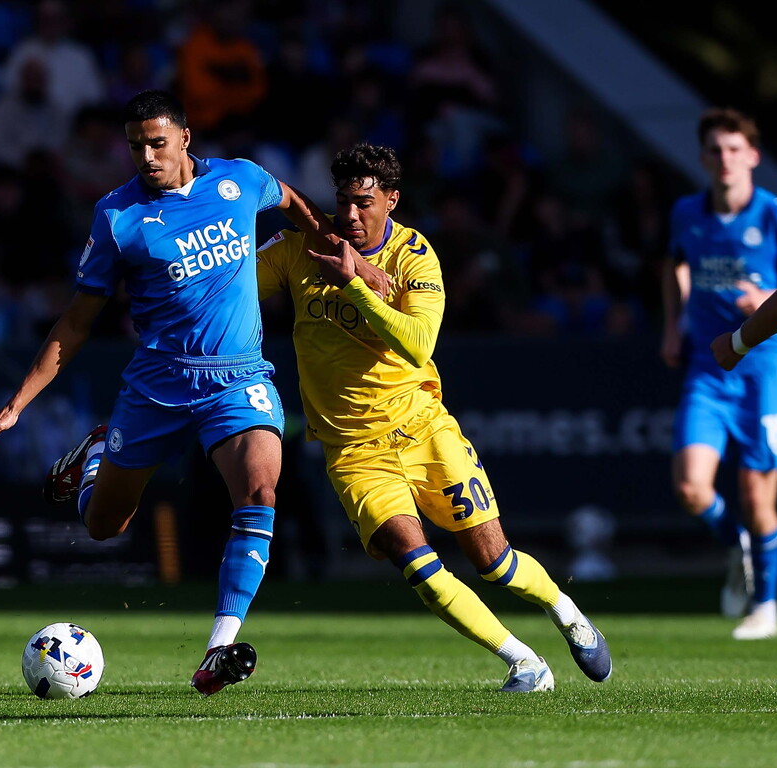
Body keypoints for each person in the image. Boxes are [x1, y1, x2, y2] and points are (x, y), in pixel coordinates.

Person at [0, 90, 390, 697]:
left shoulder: (241, 180)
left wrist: (341, 252)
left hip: (238, 376)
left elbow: (293, 202)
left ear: (185, 139)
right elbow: (77, 323)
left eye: (157, 143)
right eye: (136, 145)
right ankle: (93, 460)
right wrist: (13, 409)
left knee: (260, 489)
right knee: (104, 526)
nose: (146, 155)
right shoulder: (118, 217)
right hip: (158, 386)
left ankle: (218, 648)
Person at [255, 142, 612, 691]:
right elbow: (230, 290)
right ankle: (523, 661)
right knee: (414, 561)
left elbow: (418, 344)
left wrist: (357, 284)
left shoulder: (414, 257)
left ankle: (566, 613)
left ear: (391, 199)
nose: (350, 215)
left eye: (364, 202)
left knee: (495, 562)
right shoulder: (300, 245)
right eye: (343, 201)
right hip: (353, 449)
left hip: (423, 430)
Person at [662, 107, 777, 640]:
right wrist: (673, 322)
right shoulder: (687, 212)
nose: (725, 159)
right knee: (692, 489)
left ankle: (765, 606)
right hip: (709, 369)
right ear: (702, 158)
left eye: (735, 149)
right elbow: (673, 265)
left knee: (759, 497)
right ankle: (738, 546)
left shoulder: (776, 214)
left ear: (753, 156)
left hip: (767, 371)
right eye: (715, 149)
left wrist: (764, 302)